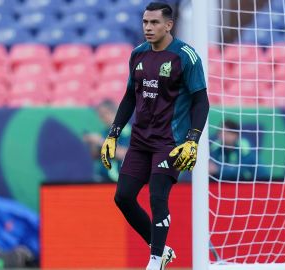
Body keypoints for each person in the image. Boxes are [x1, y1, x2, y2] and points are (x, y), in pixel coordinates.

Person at [99, 2, 209, 270]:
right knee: (122, 197)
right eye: (145, 22)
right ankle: (161, 249)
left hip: (170, 143)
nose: (148, 27)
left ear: (169, 25)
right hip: (140, 140)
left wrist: (192, 140)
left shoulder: (186, 56)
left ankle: (155, 260)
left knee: (157, 196)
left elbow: (201, 101)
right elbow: (128, 97)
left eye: (154, 23)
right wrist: (113, 134)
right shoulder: (137, 55)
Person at [83, 99, 130, 182]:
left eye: (103, 115)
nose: (102, 119)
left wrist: (100, 141)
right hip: (104, 178)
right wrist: (93, 144)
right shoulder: (105, 132)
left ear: (111, 112)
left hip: (122, 179)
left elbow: (125, 154)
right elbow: (95, 156)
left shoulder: (127, 131)